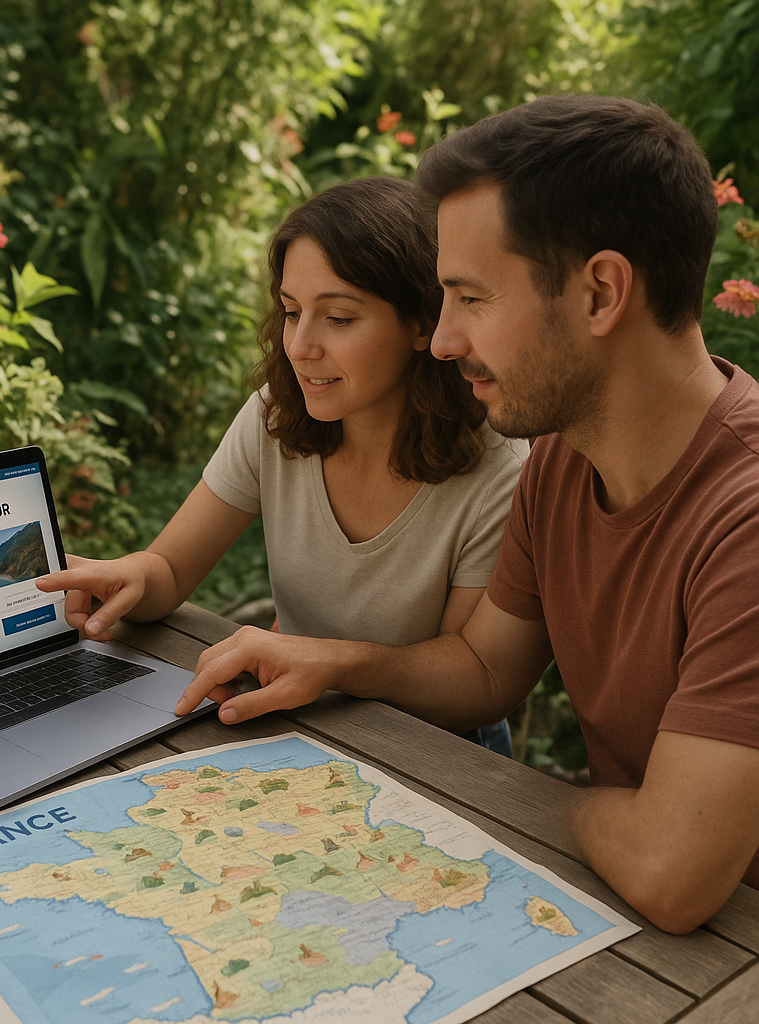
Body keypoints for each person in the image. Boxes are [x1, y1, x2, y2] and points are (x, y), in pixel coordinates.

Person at [174, 95, 759, 934]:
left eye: (470, 299)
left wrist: (563, 806)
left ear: (601, 293)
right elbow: (486, 673)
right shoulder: (562, 460)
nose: (441, 341)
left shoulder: (745, 515)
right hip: (629, 910)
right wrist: (333, 663)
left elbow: (673, 872)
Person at [38, 176, 527, 754]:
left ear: (424, 323)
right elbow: (169, 568)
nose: (299, 346)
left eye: (339, 318)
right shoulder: (275, 419)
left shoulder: (499, 468)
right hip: (299, 722)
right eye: (293, 312)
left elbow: (474, 680)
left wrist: (331, 662)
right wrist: (132, 577)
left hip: (439, 752)